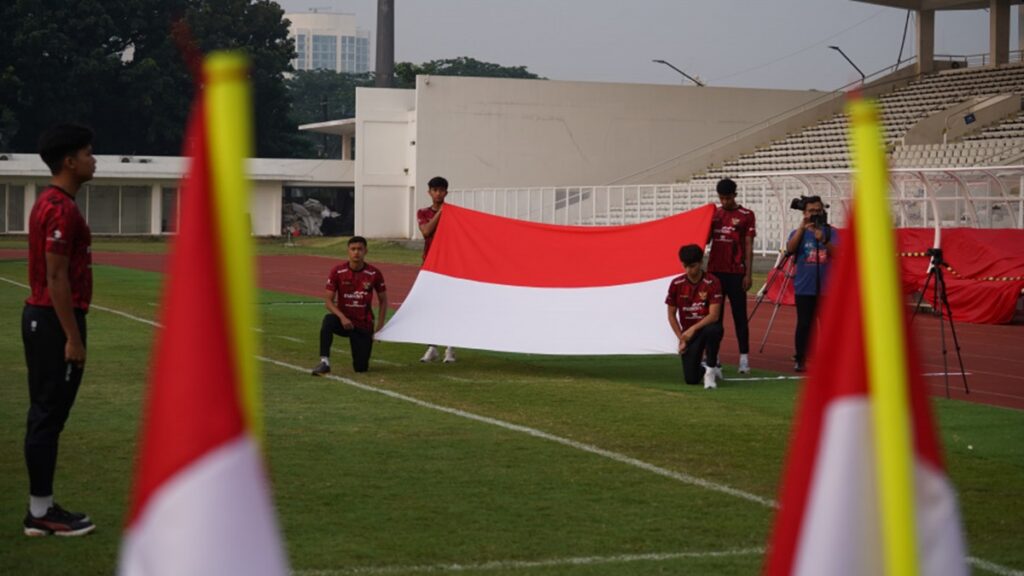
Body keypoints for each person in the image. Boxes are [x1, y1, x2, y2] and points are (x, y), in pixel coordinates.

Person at [22, 124, 96, 536]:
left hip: (46, 316)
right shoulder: (60, 208)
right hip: (53, 319)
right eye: (87, 152)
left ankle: (42, 507)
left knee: (45, 415)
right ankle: (40, 512)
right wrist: (72, 336)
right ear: (69, 161)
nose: (93, 158)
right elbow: (56, 276)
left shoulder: (52, 202)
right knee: (48, 417)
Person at [311, 236, 388, 375]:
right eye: (353, 249)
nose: (356, 252)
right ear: (348, 251)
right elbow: (328, 301)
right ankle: (324, 362)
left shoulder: (374, 273)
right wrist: (342, 317)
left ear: (366, 251)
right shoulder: (338, 271)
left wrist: (380, 326)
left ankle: (361, 355)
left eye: (360, 249)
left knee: (361, 368)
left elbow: (383, 300)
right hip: (344, 322)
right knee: (328, 320)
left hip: (363, 324)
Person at [706, 178, 756, 374]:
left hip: (736, 272)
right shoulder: (714, 215)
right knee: (715, 319)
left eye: (728, 198)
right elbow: (706, 239)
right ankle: (714, 357)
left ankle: (744, 358)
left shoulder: (746, 215)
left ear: (735, 195)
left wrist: (748, 273)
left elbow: (748, 245)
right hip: (715, 273)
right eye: (721, 198)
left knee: (739, 317)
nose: (725, 202)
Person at [785, 196, 838, 373]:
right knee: (804, 324)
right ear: (804, 213)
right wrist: (802, 228)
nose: (815, 214)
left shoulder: (831, 232)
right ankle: (800, 358)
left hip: (827, 288)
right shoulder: (798, 232)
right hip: (804, 287)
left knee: (828, 325)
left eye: (818, 210)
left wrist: (823, 240)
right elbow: (790, 249)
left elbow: (840, 254)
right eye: (811, 211)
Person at [666, 244, 725, 389]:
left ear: (701, 262)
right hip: (689, 336)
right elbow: (671, 315)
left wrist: (693, 329)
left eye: (692, 266)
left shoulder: (713, 282)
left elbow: (714, 315)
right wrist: (682, 338)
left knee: (714, 330)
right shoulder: (676, 284)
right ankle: (704, 368)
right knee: (691, 379)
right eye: (685, 266)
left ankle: (711, 368)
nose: (688, 270)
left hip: (705, 328)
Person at [416, 176, 456, 364]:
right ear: (429, 192)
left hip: (449, 266)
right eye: (435, 190)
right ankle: (432, 347)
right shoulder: (423, 212)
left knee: (449, 307)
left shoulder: (454, 214)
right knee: (429, 306)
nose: (438, 193)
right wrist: (441, 213)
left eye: (441, 190)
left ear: (446, 192)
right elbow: (426, 231)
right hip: (429, 265)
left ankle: (450, 348)